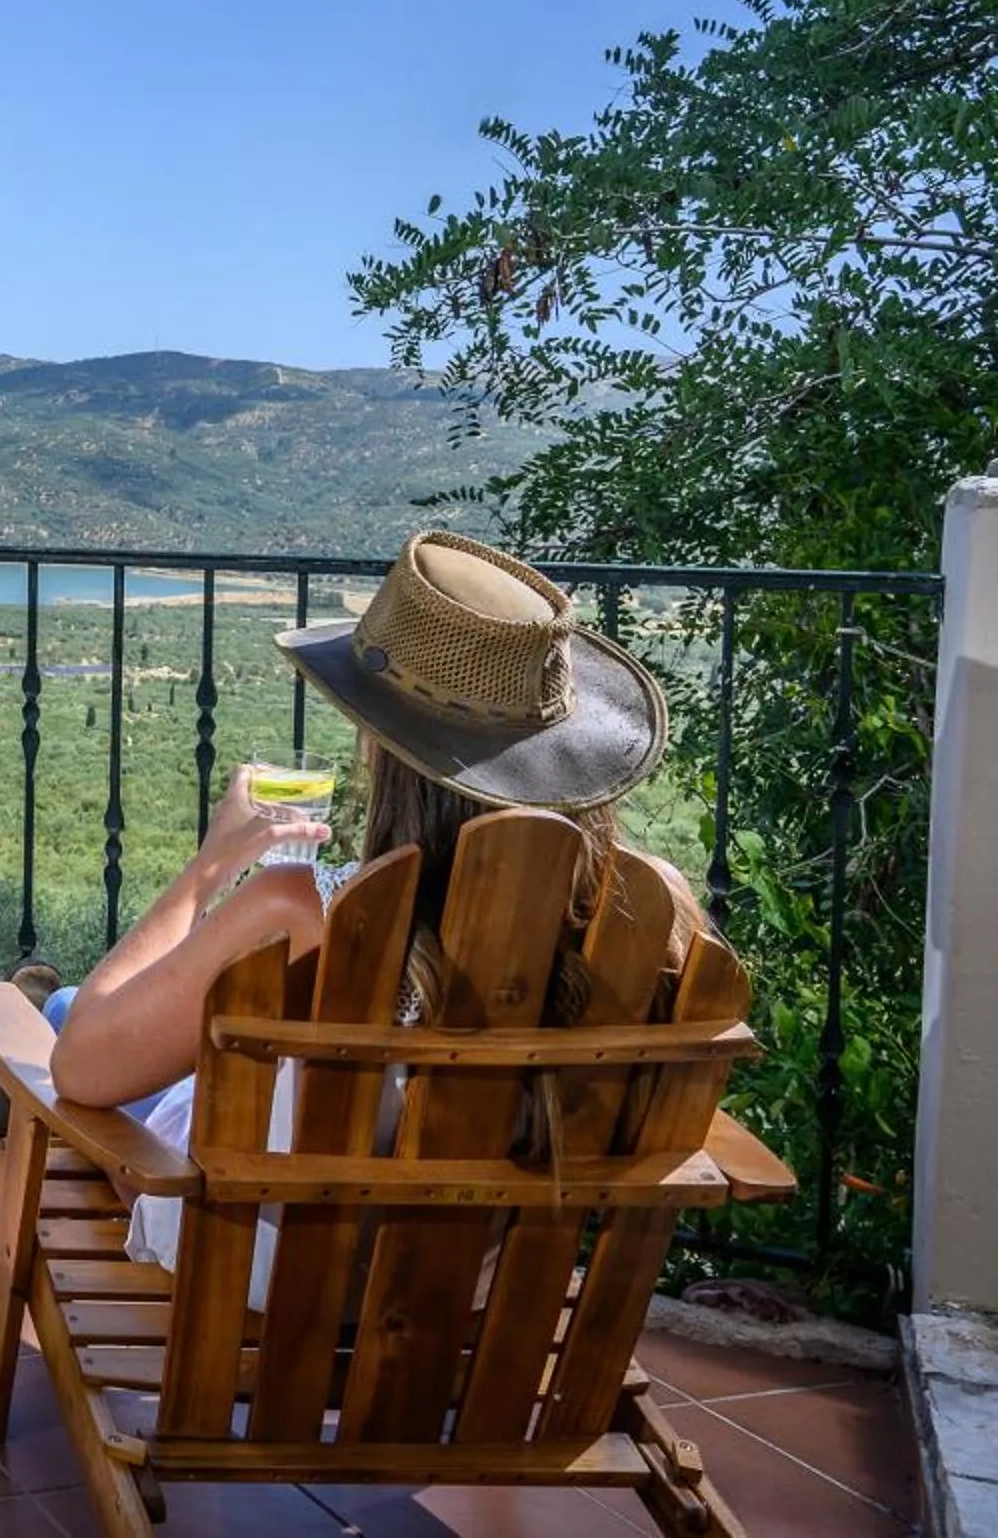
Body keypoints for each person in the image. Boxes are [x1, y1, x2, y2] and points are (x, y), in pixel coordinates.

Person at [41, 530, 705, 1298]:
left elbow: (81, 1072)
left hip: (261, 1262)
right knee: (90, 1020)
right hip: (480, 1283)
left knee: (65, 1017)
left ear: (385, 751)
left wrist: (210, 864)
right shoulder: (648, 923)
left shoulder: (305, 910)